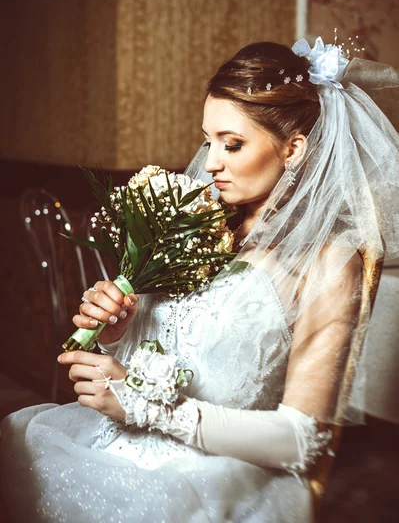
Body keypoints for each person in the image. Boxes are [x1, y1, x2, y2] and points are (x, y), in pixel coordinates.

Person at [1, 37, 399, 523]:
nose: (210, 162)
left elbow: (301, 441)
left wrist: (147, 409)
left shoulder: (329, 262)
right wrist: (118, 335)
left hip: (208, 478)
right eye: (209, 141)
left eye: (232, 144)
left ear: (293, 149)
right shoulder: (200, 222)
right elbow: (173, 354)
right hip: (117, 442)